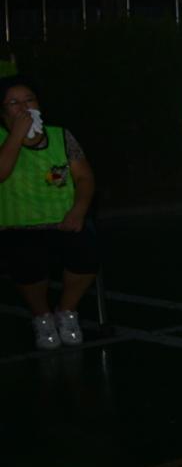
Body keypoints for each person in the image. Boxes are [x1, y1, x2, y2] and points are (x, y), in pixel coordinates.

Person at [0, 78, 97, 349]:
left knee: (86, 253)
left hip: (63, 221)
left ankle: (66, 312)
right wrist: (17, 134)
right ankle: (41, 317)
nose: (23, 107)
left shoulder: (60, 136)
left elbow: (85, 178)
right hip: (18, 228)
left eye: (29, 100)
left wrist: (78, 211)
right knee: (26, 258)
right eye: (14, 103)